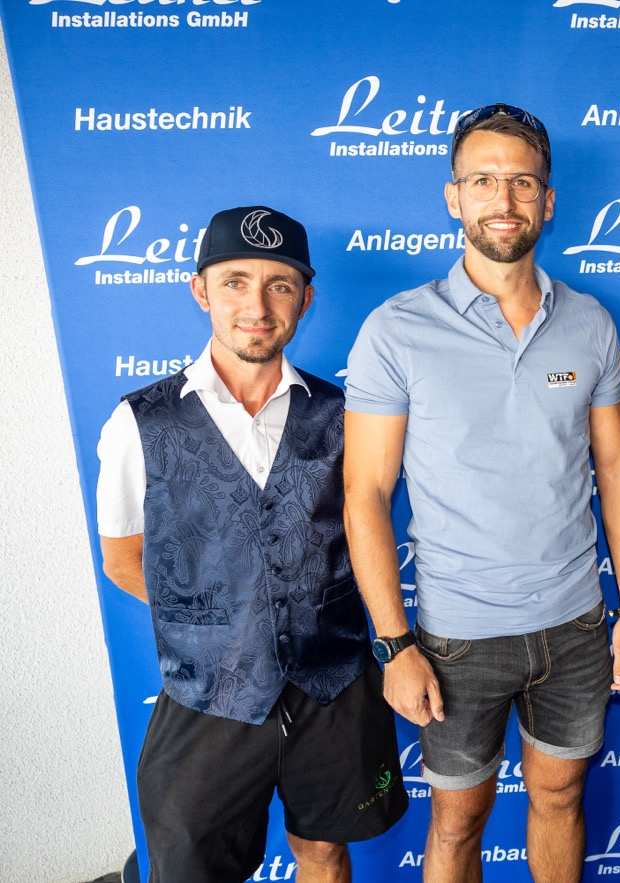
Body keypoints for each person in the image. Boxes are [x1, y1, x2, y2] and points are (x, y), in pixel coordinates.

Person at [342, 103, 620, 883]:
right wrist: (395, 644)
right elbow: (366, 492)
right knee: (457, 821)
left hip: (575, 624)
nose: (503, 199)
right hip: (456, 637)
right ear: (454, 197)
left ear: (548, 200)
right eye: (483, 181)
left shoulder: (589, 323)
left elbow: (619, 467)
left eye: (522, 182)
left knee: (561, 795)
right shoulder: (396, 329)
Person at [95, 206, 407, 883]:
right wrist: (220, 627)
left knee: (325, 852)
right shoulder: (139, 421)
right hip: (210, 693)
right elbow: (122, 558)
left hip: (332, 684)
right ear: (201, 291)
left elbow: (368, 524)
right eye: (235, 282)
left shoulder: (343, 414)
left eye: (279, 285)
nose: (257, 307)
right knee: (191, 866)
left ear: (305, 300)